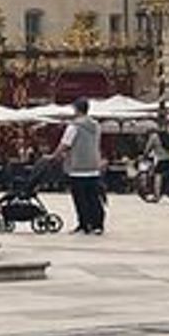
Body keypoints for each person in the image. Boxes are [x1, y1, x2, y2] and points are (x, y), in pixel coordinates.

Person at [48, 98, 106, 235]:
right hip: (93, 166)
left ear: (76, 109)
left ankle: (84, 224)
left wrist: (54, 156)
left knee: (81, 199)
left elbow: (65, 144)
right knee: (94, 198)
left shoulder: (74, 126)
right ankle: (98, 225)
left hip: (78, 167)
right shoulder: (96, 125)